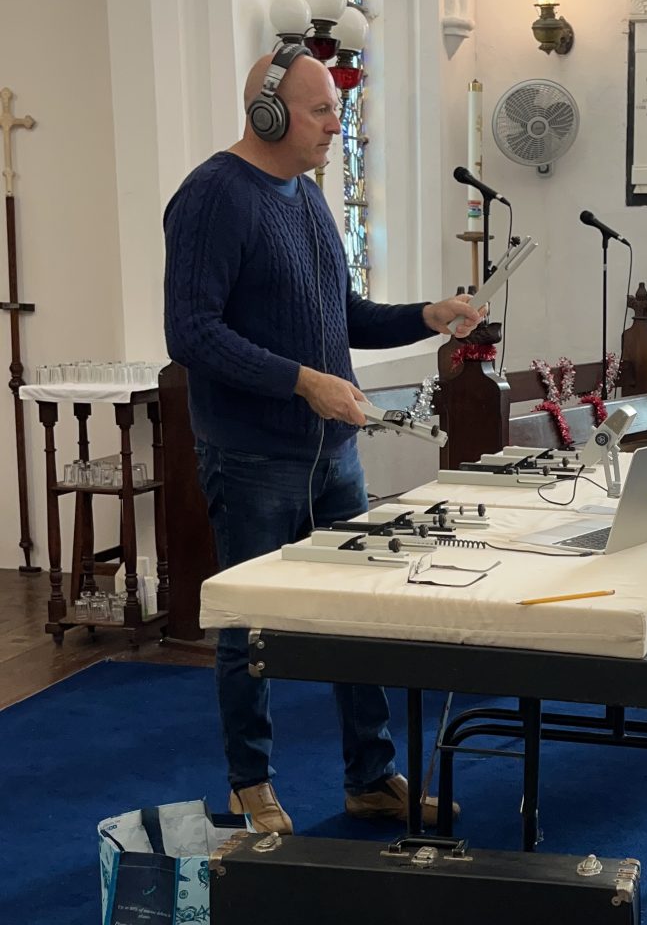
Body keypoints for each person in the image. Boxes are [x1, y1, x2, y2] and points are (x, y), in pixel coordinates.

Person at [163, 44, 482, 834]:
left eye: (337, 110)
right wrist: (302, 380)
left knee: (358, 615)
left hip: (331, 454)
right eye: (321, 110)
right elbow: (191, 332)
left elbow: (343, 316)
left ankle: (370, 778)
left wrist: (425, 315)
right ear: (267, 113)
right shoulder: (212, 196)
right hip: (251, 455)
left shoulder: (306, 197)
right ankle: (249, 783)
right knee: (250, 628)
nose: (336, 126)